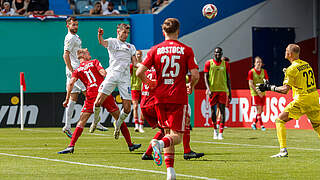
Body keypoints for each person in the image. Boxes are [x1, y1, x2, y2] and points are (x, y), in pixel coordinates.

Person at [136, 18, 199, 180]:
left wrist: (150, 83)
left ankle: (170, 172)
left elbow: (139, 72)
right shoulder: (186, 50)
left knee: (166, 132)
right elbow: (195, 75)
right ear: (178, 31)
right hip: (177, 97)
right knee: (176, 136)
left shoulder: (155, 49)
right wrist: (190, 85)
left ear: (163, 32)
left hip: (159, 97)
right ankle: (159, 144)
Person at [58, 48, 141, 154]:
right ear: (84, 55)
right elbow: (103, 73)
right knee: (119, 117)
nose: (90, 55)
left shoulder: (77, 70)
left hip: (91, 95)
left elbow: (71, 83)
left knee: (82, 121)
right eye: (88, 53)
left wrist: (66, 99)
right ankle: (130, 144)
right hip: (103, 92)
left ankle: (71, 146)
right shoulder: (94, 62)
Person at [257, 44, 320, 158]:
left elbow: (285, 90)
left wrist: (269, 87)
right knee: (317, 125)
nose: (285, 52)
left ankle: (283, 150)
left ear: (290, 54)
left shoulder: (291, 69)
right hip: (314, 97)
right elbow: (302, 78)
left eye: (286, 51)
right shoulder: (306, 64)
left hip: (302, 99)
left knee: (279, 120)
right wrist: (289, 73)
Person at [140, 72, 204, 160]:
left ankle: (149, 153)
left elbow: (139, 72)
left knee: (165, 130)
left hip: (146, 103)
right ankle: (185, 151)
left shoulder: (148, 70)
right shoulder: (162, 68)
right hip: (157, 101)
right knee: (175, 131)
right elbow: (166, 83)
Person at [62, 17, 107, 138]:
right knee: (91, 94)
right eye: (73, 25)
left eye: (76, 24)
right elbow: (65, 55)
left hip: (77, 70)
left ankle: (67, 126)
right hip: (77, 72)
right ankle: (97, 122)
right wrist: (72, 70)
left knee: (73, 98)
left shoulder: (75, 37)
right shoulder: (70, 38)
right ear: (68, 25)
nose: (75, 27)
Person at [95, 23, 139, 139]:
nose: (126, 35)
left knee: (127, 108)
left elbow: (135, 63)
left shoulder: (131, 47)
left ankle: (117, 123)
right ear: (118, 31)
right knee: (98, 101)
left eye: (127, 33)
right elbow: (102, 42)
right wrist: (100, 35)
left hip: (125, 78)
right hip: (112, 75)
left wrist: (144, 66)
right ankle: (96, 121)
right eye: (124, 32)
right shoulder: (113, 41)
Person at [204, 47, 232, 140]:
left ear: (222, 53)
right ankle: (215, 130)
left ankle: (220, 133)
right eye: (216, 53)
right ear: (214, 54)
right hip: (213, 90)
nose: (218, 54)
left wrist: (230, 92)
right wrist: (208, 89)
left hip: (223, 90)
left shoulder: (226, 64)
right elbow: (205, 77)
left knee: (222, 111)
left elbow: (228, 79)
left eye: (219, 53)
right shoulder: (209, 63)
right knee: (213, 111)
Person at [247, 56, 268, 131]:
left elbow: (266, 81)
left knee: (261, 110)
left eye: (260, 62)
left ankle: (253, 123)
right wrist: (258, 91)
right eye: (257, 62)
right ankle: (262, 126)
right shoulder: (251, 72)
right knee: (259, 109)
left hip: (262, 93)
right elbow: (250, 83)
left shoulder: (264, 71)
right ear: (254, 63)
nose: (259, 63)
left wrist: (265, 86)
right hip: (255, 93)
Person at [130, 50, 144, 133]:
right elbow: (129, 75)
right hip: (134, 88)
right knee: (135, 106)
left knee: (142, 107)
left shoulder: (144, 65)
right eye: (137, 54)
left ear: (141, 55)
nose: (138, 56)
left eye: (139, 54)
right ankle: (136, 125)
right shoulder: (132, 66)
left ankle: (141, 125)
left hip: (143, 88)